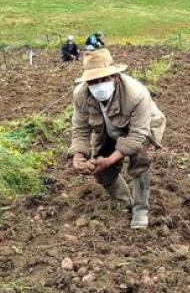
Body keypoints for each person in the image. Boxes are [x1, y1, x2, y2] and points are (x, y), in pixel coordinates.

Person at [69, 49, 166, 229]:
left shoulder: (136, 94)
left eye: (104, 79)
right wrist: (79, 155)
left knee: (139, 160)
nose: (99, 85)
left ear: (114, 76)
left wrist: (113, 158)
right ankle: (124, 201)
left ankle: (140, 209)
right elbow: (80, 129)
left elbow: (137, 135)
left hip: (144, 126)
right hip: (107, 127)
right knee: (100, 167)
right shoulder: (81, 95)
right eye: (93, 81)